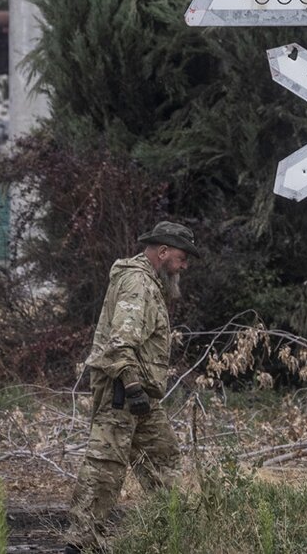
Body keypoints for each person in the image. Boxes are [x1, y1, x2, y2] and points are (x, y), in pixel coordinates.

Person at [62, 221, 200, 554]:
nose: (185, 266)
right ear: (163, 252)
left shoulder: (149, 283)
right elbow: (120, 342)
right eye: (182, 258)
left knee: (163, 458)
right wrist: (133, 387)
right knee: (106, 466)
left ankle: (172, 533)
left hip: (140, 396)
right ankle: (81, 544)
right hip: (123, 391)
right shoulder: (138, 283)